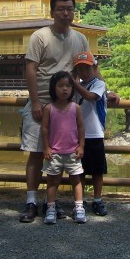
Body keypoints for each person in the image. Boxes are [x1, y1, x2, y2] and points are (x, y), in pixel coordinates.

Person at [19, 0, 118, 223]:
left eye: (70, 9)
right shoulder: (40, 36)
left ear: (74, 11)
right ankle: (31, 201)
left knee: (66, 153)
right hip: (43, 101)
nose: (66, 13)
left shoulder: (80, 39)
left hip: (70, 104)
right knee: (36, 152)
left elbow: (91, 68)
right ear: (52, 12)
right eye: (61, 9)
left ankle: (51, 202)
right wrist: (34, 102)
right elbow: (31, 69)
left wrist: (106, 90)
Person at [41, 71, 86, 224]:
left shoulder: (75, 108)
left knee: (76, 180)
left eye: (68, 86)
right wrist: (46, 147)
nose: (64, 89)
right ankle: (51, 207)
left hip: (73, 151)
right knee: (52, 181)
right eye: (60, 86)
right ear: (53, 88)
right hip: (54, 152)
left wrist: (81, 146)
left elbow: (80, 128)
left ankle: (79, 207)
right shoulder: (49, 108)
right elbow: (45, 129)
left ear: (72, 89)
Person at [72, 51, 109, 216]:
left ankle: (97, 199)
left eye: (87, 68)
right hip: (77, 135)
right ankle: (80, 200)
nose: (84, 72)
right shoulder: (74, 86)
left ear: (95, 68)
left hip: (95, 134)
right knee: (79, 170)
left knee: (97, 170)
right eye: (80, 69)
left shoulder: (99, 84)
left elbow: (90, 97)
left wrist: (74, 84)